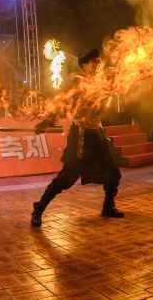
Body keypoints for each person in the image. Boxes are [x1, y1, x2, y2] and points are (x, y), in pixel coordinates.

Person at [31, 49, 123, 227]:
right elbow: (62, 104)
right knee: (66, 178)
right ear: (84, 65)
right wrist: (46, 123)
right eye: (93, 62)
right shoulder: (77, 83)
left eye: (98, 61)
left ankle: (108, 207)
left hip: (97, 134)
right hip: (81, 136)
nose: (97, 65)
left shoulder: (101, 83)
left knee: (113, 174)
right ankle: (39, 208)